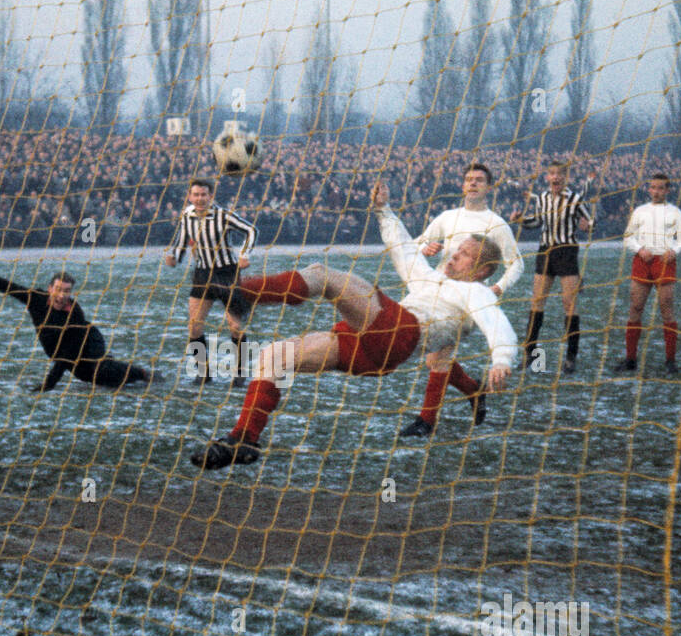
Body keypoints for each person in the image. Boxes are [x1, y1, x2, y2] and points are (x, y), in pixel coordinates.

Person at [189, 182, 515, 469]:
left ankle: (240, 292)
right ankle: (244, 439)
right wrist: (384, 210)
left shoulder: (476, 292)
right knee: (274, 356)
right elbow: (404, 250)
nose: (455, 255)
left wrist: (502, 359)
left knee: (326, 276)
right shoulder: (432, 277)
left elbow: (496, 322)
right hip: (373, 352)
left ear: (483, 271)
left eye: (466, 254)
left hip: (400, 332)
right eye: (457, 249)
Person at [398, 162, 522, 437]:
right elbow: (415, 244)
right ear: (463, 185)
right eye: (468, 179)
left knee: (440, 356)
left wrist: (498, 288)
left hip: (468, 298)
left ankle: (426, 421)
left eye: (479, 179)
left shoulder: (497, 225)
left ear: (488, 187)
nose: (473, 183)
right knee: (433, 359)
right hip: (438, 291)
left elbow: (517, 264)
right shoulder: (447, 217)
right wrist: (425, 248)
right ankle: (473, 390)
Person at [0, 266, 154, 391]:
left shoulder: (74, 313)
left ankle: (144, 375)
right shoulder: (36, 299)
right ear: (50, 289)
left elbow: (66, 354)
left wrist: (49, 384)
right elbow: (10, 288)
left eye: (66, 291)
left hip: (88, 342)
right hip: (68, 353)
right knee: (93, 379)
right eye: (58, 289)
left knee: (100, 370)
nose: (62, 295)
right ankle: (135, 376)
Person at [164, 178, 258, 386]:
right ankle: (203, 373)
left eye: (203, 195)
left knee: (235, 326)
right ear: (190, 196)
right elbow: (181, 241)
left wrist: (245, 255)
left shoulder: (223, 215)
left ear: (211, 196)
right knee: (194, 327)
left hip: (227, 274)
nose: (199, 199)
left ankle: (240, 373)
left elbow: (251, 231)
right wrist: (174, 257)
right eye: (195, 195)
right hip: (202, 274)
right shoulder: (187, 216)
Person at [511, 161, 594, 373]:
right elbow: (537, 223)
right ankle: (530, 353)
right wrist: (521, 220)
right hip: (546, 251)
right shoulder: (542, 198)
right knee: (537, 301)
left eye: (559, 174)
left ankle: (571, 357)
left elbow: (590, 221)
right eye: (552, 174)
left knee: (569, 303)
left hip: (566, 252)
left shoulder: (574, 199)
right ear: (547, 177)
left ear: (566, 177)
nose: (555, 177)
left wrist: (588, 225)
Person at [616, 172, 681, 375]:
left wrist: (674, 250)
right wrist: (639, 249)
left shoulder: (675, 212)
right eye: (653, 188)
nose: (656, 191)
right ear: (649, 189)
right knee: (636, 307)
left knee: (666, 307)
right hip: (642, 261)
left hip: (664, 261)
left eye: (661, 188)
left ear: (667, 190)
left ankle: (670, 360)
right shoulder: (640, 211)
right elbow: (628, 237)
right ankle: (630, 359)